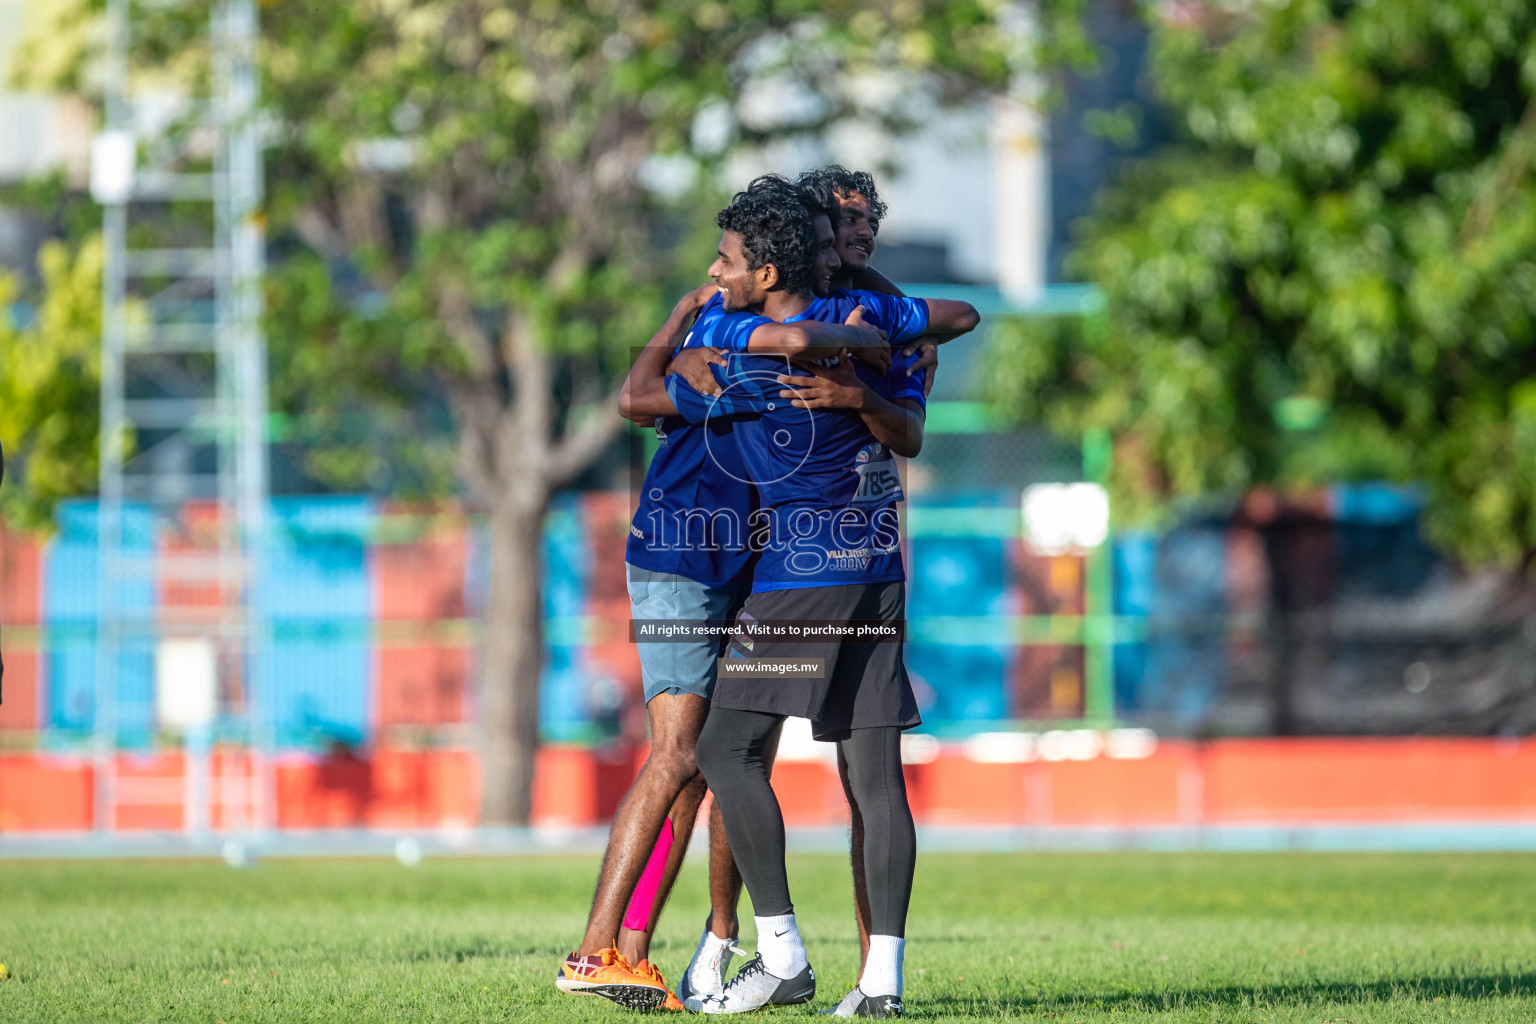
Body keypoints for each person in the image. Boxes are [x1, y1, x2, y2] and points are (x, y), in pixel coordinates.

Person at [623, 185, 980, 1017]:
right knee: (872, 773)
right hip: (879, 570)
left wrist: (678, 343)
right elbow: (956, 318)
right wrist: (871, 358)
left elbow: (637, 399)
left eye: (727, 261)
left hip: (803, 584)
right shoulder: (877, 320)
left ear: (765, 268)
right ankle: (880, 986)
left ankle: (780, 952)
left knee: (724, 752)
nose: (714, 272)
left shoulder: (739, 347)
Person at [556, 181, 889, 1012]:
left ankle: (675, 948)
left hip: (750, 563)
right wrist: (679, 329)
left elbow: (941, 323)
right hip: (681, 553)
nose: (849, 238)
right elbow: (635, 398)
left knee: (725, 762)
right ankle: (596, 951)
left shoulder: (810, 321)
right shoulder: (733, 331)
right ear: (792, 255)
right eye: (834, 225)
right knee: (680, 755)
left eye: (860, 224)